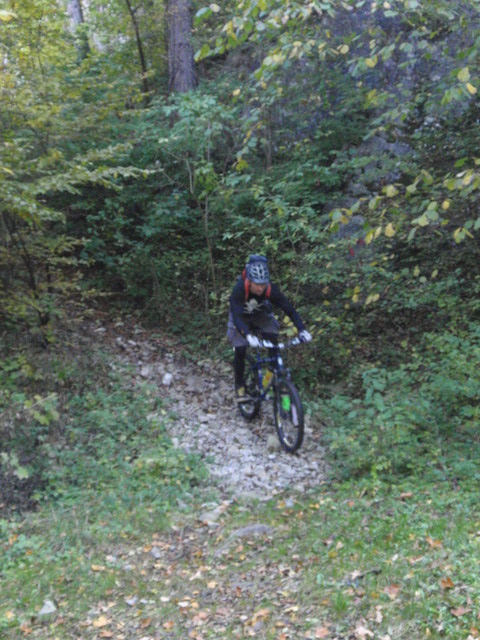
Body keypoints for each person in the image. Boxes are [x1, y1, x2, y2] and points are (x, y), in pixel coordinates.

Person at [227, 254, 312, 402]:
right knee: (240, 347)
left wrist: (302, 329)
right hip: (240, 317)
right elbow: (237, 318)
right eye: (257, 284)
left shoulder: (270, 289)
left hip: (260, 313)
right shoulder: (239, 289)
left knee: (272, 335)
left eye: (263, 284)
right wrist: (248, 336)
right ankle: (239, 385)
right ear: (249, 281)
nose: (260, 288)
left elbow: (289, 309)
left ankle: (271, 373)